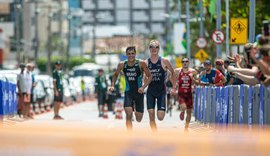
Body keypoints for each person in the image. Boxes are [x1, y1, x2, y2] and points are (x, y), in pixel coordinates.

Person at [109, 46, 152, 131]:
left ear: (135, 54)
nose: (131, 55)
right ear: (126, 54)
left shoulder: (141, 63)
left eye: (132, 53)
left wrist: (143, 87)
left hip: (139, 93)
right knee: (128, 115)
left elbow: (150, 76)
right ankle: (129, 134)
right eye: (129, 54)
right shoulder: (122, 64)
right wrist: (112, 85)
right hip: (128, 92)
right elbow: (115, 75)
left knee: (139, 119)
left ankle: (136, 108)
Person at [145, 40, 177, 132]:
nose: (154, 49)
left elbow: (173, 72)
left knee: (160, 117)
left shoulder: (164, 61)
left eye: (156, 47)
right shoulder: (146, 62)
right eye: (152, 47)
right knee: (151, 114)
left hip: (161, 91)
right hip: (150, 91)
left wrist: (174, 87)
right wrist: (142, 85)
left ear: (159, 49)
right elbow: (142, 76)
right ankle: (154, 133)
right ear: (149, 49)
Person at [175, 58, 198, 130]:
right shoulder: (178, 71)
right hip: (181, 93)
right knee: (184, 107)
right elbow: (171, 77)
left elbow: (197, 82)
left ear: (189, 62)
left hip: (189, 94)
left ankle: (186, 127)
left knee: (189, 112)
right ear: (181, 63)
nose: (185, 63)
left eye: (186, 61)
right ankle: (182, 111)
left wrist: (192, 79)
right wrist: (175, 84)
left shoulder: (193, 71)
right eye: (183, 62)